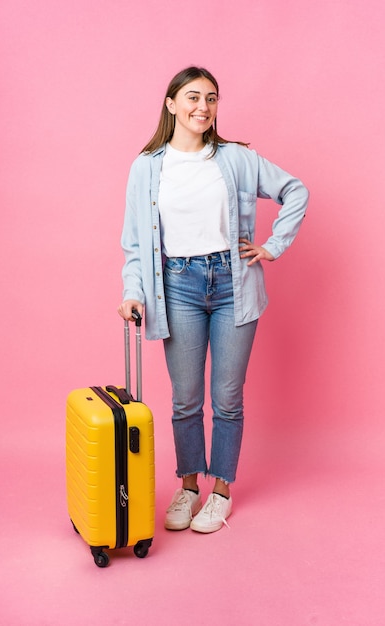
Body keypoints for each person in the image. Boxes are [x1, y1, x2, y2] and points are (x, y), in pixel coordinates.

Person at [118, 66, 309, 534]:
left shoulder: (237, 158)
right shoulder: (146, 166)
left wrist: (271, 245)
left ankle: (220, 490)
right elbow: (136, 244)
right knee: (185, 400)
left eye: (211, 98)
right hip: (176, 286)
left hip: (232, 283)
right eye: (193, 97)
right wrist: (132, 290)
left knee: (227, 398)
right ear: (171, 104)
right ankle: (188, 487)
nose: (203, 107)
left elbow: (294, 190)